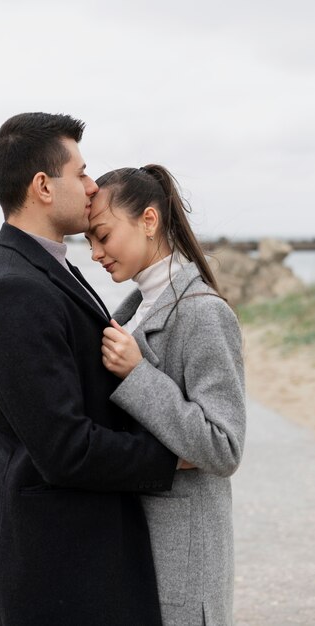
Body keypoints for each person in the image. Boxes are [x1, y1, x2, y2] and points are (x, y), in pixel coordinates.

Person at [0, 114, 181, 626]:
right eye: (81, 174)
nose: (91, 187)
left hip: (69, 542)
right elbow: (65, 448)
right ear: (43, 186)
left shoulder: (47, 265)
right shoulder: (14, 289)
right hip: (50, 553)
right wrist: (172, 457)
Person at [85, 165, 247, 626]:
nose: (96, 252)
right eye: (88, 241)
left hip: (182, 566)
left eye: (103, 235)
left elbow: (224, 446)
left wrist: (138, 374)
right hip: (136, 549)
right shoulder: (136, 308)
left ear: (149, 221)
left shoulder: (204, 314)